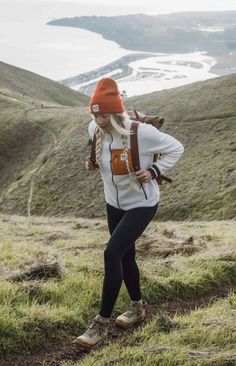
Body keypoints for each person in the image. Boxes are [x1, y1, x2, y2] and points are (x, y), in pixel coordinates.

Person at [74, 77, 184, 348]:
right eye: (96, 115)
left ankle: (101, 323)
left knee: (111, 253)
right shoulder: (95, 129)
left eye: (105, 115)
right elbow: (102, 159)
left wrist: (154, 171)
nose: (99, 121)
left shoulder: (141, 133)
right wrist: (91, 163)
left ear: (116, 112)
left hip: (141, 205)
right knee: (125, 255)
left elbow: (176, 147)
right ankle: (137, 307)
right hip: (114, 203)